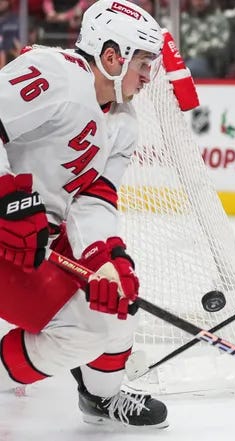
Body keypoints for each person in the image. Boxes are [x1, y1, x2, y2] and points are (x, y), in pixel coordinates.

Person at [0, 0, 168, 428]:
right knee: (81, 334)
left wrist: (105, 258)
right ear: (112, 56)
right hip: (9, 230)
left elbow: (93, 199)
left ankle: (102, 397)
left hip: (30, 239)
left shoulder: (124, 122)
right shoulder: (53, 72)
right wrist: (6, 200)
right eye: (143, 64)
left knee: (116, 306)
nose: (148, 77)